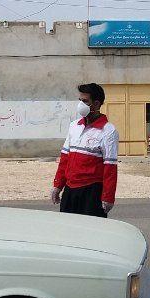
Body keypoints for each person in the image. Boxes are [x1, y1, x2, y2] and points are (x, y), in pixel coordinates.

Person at [51, 82, 119, 217]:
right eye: (80, 100)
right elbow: (65, 159)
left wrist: (108, 197)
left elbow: (110, 168)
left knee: (92, 233)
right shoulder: (74, 126)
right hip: (70, 191)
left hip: (92, 193)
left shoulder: (108, 131)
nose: (80, 104)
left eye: (85, 101)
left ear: (97, 104)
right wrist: (57, 185)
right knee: (67, 232)